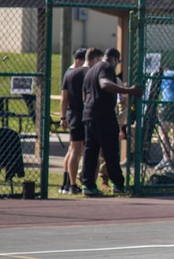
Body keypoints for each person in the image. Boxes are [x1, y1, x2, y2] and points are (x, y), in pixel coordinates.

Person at [80, 48, 142, 197]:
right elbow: (105, 84)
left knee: (91, 151)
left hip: (89, 114)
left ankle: (88, 185)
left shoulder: (91, 69)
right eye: (118, 62)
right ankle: (118, 184)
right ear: (115, 59)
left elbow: (84, 92)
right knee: (111, 150)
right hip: (103, 115)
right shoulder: (106, 67)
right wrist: (128, 90)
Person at [58, 47, 91, 194]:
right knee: (76, 152)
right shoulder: (79, 74)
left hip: (71, 114)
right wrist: (63, 116)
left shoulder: (68, 73)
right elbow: (65, 98)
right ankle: (72, 184)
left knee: (71, 150)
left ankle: (65, 183)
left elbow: (63, 98)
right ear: (79, 60)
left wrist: (63, 116)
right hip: (79, 113)